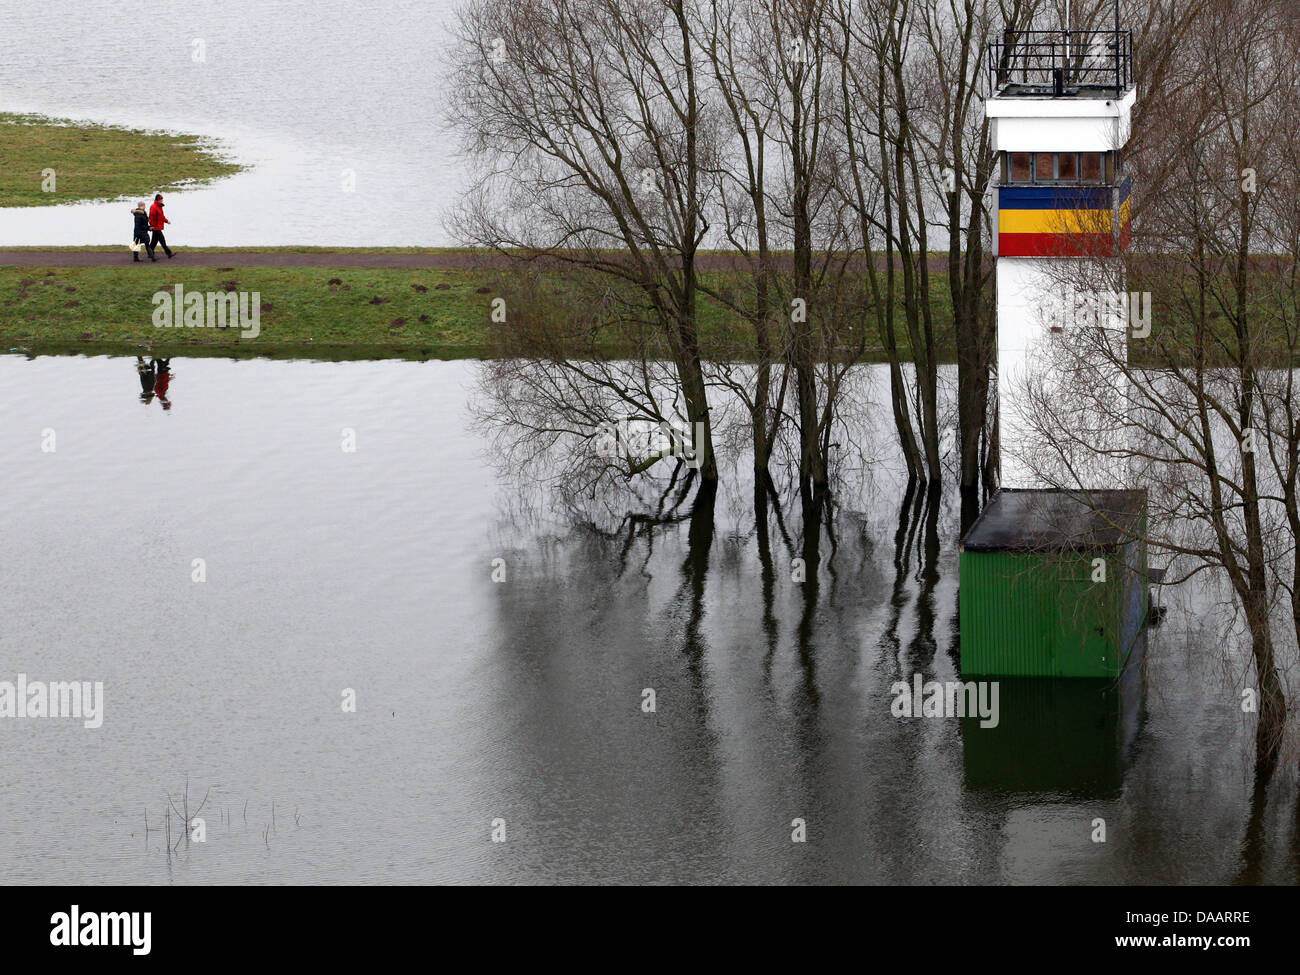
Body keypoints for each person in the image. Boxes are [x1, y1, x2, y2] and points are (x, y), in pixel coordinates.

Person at [148, 193, 174, 259]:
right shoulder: (153, 207)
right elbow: (151, 217)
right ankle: (169, 253)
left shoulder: (159, 207)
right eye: (161, 199)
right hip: (156, 227)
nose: (162, 200)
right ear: (157, 200)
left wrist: (167, 221)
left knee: (154, 241)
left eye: (162, 199)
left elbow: (161, 217)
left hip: (158, 227)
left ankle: (150, 253)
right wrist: (151, 226)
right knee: (162, 241)